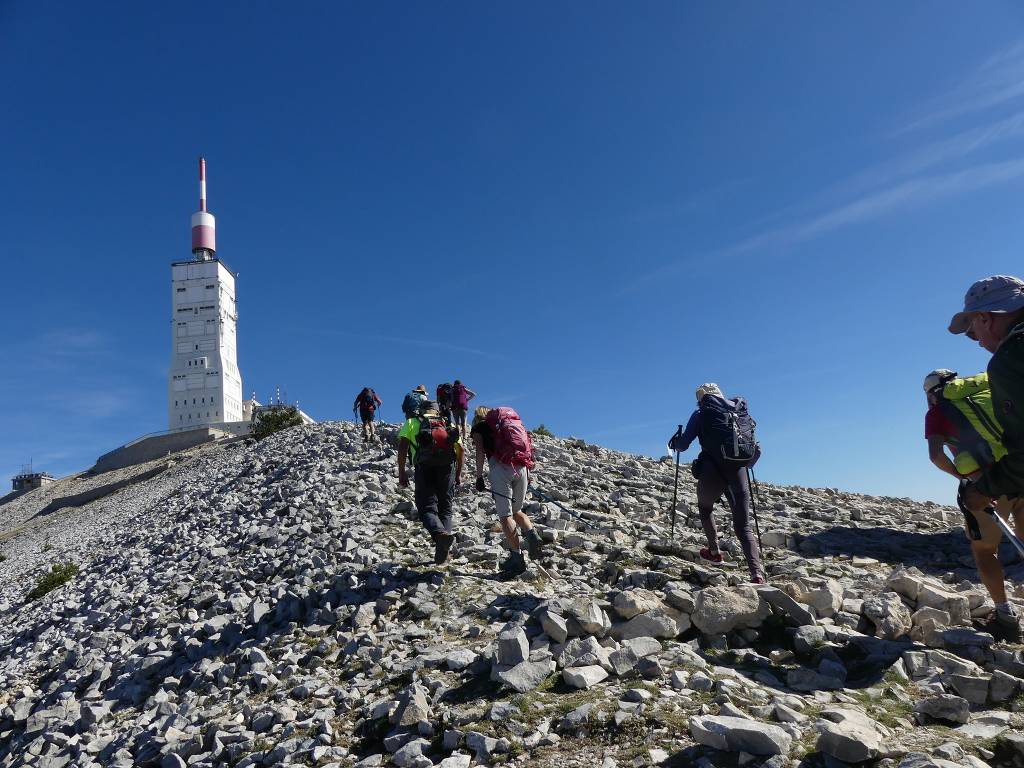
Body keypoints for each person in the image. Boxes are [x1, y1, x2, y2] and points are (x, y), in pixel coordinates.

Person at [948, 274, 1024, 631]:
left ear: (986, 317)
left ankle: (1005, 614)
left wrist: (980, 489)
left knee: (983, 550)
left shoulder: (1010, 359)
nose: (977, 342)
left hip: (997, 479)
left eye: (973, 332)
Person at [924, 367, 1024, 632]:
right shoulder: (989, 393)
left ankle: (1006, 614)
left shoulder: (937, 413)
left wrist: (960, 475)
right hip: (1019, 472)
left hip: (986, 484)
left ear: (932, 394)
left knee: (984, 550)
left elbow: (936, 456)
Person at [668, 382, 765, 584]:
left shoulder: (702, 413)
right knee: (744, 526)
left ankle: (714, 552)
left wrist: (674, 442)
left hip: (711, 470)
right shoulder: (739, 414)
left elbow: (683, 445)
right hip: (738, 472)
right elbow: (752, 449)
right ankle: (757, 574)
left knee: (705, 508)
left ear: (701, 398)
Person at [471, 406, 544, 576]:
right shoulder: (508, 423)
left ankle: (517, 559)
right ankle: (533, 536)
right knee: (517, 510)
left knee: (505, 516)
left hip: (500, 469)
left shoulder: (479, 428)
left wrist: (479, 476)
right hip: (522, 468)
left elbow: (480, 452)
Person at [398, 400, 463, 565]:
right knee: (446, 509)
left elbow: (403, 446)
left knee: (426, 508)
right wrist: (458, 474)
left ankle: (440, 535)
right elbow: (460, 450)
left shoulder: (413, 422)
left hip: (424, 467)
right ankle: (444, 548)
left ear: (422, 410)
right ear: (437, 411)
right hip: (447, 468)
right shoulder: (446, 423)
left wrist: (402, 472)